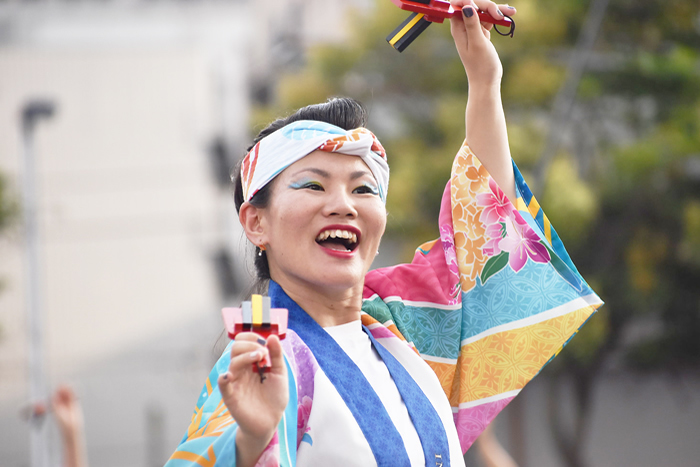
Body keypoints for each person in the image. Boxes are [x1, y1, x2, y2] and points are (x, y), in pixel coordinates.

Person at [166, 1, 602, 466]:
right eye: (314, 184)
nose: (343, 204)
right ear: (256, 222)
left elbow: (483, 235)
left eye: (364, 189)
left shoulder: (401, 331)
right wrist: (250, 443)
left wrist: (483, 80)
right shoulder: (265, 360)